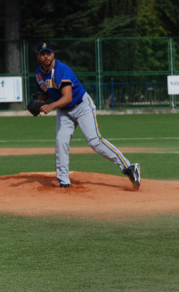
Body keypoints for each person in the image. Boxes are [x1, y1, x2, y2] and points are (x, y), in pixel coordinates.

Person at [33, 42, 140, 190]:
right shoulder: (39, 74)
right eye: (42, 53)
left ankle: (129, 167)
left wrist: (50, 106)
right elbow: (44, 93)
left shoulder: (62, 70)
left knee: (94, 141)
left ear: (53, 54)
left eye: (48, 53)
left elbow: (68, 97)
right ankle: (63, 181)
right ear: (38, 56)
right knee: (61, 141)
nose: (46, 56)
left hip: (81, 106)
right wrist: (37, 104)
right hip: (64, 110)